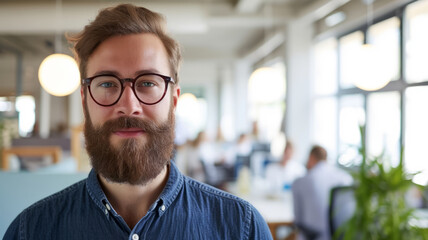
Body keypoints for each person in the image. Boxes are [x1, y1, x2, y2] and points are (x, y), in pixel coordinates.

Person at [4, 4, 272, 239]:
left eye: (147, 83)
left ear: (174, 100)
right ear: (85, 100)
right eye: (107, 83)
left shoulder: (241, 228)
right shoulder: (30, 230)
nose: (129, 106)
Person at [292, 145, 353, 240]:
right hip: (344, 235)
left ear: (311, 158)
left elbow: (297, 220)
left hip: (315, 236)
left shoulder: (301, 182)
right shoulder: (345, 178)